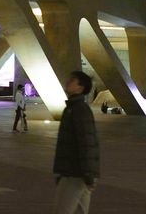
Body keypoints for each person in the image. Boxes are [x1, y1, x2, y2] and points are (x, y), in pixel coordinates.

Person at [53, 70, 99, 214]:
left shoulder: (78, 110)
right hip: (77, 173)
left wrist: (88, 175)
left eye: (73, 80)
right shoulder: (74, 108)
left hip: (74, 173)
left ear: (80, 88)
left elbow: (86, 143)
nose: (68, 81)